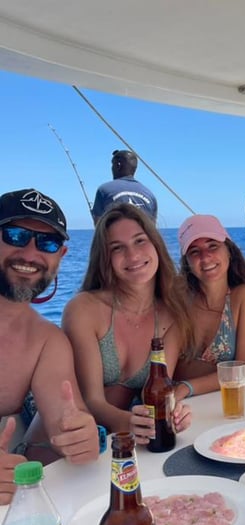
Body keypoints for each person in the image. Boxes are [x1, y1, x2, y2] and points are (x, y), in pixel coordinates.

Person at [0, 188, 100, 504]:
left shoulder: (46, 340)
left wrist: (81, 436)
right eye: (15, 235)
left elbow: (65, 416)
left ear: (61, 256)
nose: (30, 254)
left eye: (48, 243)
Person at [62, 204, 192, 445]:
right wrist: (128, 423)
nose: (133, 255)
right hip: (67, 432)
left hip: (118, 440)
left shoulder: (171, 316)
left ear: (156, 245)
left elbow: (156, 391)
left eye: (140, 241)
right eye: (117, 248)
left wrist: (173, 413)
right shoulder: (84, 309)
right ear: (105, 258)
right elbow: (91, 400)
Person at [172, 214, 245, 397]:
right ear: (187, 262)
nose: (206, 257)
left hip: (219, 402)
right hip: (176, 404)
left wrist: (185, 387)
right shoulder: (177, 296)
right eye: (194, 251)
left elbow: (241, 371)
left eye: (213, 246)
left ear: (228, 249)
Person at [91, 150, 158, 225]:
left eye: (112, 164)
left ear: (118, 165)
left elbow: (98, 224)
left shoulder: (104, 190)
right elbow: (152, 228)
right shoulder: (150, 195)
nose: (112, 168)